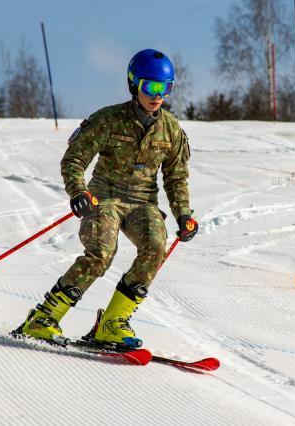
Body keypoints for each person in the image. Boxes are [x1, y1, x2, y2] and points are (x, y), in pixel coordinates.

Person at [15, 49, 197, 350]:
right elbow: (74, 159)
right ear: (134, 84)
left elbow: (176, 176)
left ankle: (112, 323)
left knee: (155, 247)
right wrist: (79, 191)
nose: (158, 95)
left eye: (165, 88)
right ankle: (43, 318)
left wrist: (183, 214)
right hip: (104, 197)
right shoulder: (109, 120)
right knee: (102, 251)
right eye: (151, 87)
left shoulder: (171, 129)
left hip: (142, 203)